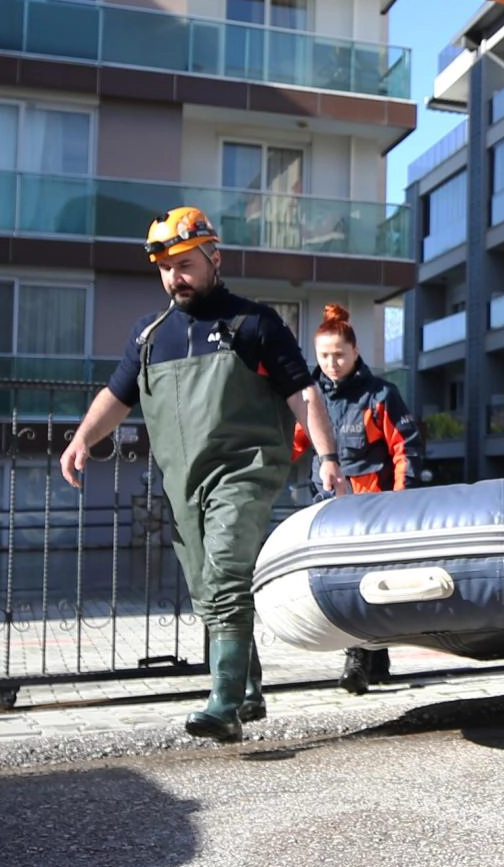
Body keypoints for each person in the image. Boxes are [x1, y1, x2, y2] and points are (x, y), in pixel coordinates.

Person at [59, 205, 342, 742]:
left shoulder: (254, 324)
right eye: (166, 268)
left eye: (185, 265)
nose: (175, 277)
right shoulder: (149, 336)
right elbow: (117, 396)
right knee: (207, 589)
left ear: (214, 258)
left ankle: (223, 704)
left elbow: (303, 394)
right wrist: (81, 439)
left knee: (228, 571)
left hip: (244, 471)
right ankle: (248, 689)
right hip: (182, 483)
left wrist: (327, 458)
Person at [292, 302, 428, 695]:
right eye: (323, 356)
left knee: (365, 582)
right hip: (327, 507)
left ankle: (358, 659)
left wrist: (402, 500)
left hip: (374, 510)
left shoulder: (381, 395)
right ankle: (376, 658)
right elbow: (294, 443)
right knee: (344, 583)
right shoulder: (309, 397)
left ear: (355, 352)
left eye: (339, 355)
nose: (331, 363)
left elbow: (406, 448)